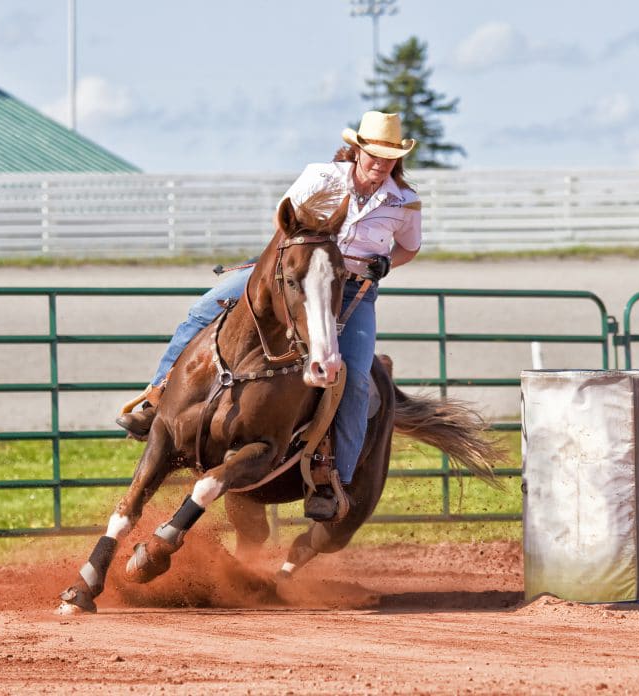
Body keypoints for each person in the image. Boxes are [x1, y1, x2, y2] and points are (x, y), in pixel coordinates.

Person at [117, 110, 422, 507]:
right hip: (292, 276)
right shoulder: (321, 176)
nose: (380, 166)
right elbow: (287, 224)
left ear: (397, 161)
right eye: (374, 156)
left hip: (349, 290)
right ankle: (156, 399)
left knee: (358, 377)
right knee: (202, 311)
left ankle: (333, 479)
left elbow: (409, 247)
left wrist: (386, 263)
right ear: (358, 150)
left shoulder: (405, 203)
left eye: (389, 159)